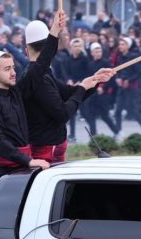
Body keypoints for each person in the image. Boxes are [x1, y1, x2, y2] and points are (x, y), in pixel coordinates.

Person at [0, 11, 64, 193]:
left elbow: (40, 64)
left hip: (26, 168)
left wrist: (54, 31)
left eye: (13, 68)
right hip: (3, 175)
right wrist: (29, 161)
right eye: (7, 69)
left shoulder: (17, 92)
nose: (13, 72)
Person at [24, 20, 114, 165]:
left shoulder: (44, 72)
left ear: (26, 51)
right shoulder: (37, 77)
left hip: (52, 145)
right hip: (44, 148)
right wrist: (82, 88)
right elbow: (62, 113)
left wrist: (95, 80)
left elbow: (68, 93)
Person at [114, 38, 141, 136]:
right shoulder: (120, 57)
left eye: (123, 44)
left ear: (128, 46)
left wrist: (128, 80)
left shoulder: (132, 57)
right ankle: (118, 132)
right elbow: (118, 70)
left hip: (131, 88)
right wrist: (117, 78)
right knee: (118, 111)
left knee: (133, 111)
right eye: (120, 44)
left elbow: (139, 72)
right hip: (121, 87)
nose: (120, 46)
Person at [83, 43, 120, 137]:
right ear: (92, 53)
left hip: (103, 94)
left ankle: (117, 133)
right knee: (91, 115)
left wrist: (103, 87)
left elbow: (111, 78)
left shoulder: (106, 63)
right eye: (96, 51)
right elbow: (89, 77)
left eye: (99, 51)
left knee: (105, 116)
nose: (98, 53)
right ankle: (94, 136)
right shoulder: (90, 64)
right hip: (92, 93)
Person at [60, 38, 90, 141]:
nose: (77, 48)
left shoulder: (85, 59)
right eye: (75, 46)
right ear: (71, 47)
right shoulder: (67, 60)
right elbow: (65, 72)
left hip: (82, 87)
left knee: (86, 113)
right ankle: (72, 135)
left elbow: (87, 72)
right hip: (71, 88)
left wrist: (80, 81)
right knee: (71, 112)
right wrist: (68, 80)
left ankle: (94, 133)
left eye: (79, 46)